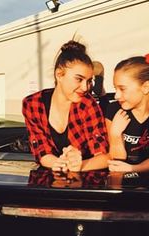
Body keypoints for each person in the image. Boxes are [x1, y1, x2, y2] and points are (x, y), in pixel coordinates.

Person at [22, 40, 109, 172]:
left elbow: (104, 156)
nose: (85, 87)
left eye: (89, 81)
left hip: (86, 180)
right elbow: (41, 150)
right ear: (59, 75)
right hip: (50, 181)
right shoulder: (32, 104)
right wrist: (58, 163)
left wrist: (79, 164)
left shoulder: (87, 104)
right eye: (79, 79)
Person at [105, 50, 149, 172]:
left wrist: (134, 168)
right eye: (115, 88)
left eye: (122, 89)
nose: (116, 95)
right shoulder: (113, 110)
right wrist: (115, 135)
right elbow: (116, 162)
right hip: (120, 179)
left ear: (145, 87)